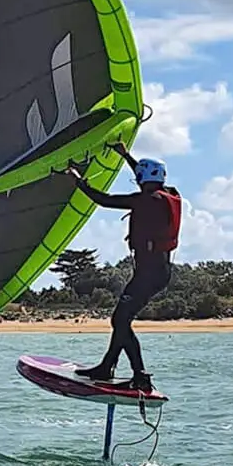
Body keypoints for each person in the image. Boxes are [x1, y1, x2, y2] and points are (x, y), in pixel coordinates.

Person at [58, 142, 182, 392]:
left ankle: (140, 376)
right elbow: (143, 174)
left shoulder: (147, 200)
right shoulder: (169, 194)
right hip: (159, 271)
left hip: (149, 273)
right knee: (122, 320)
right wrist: (125, 155)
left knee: (120, 320)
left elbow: (104, 200)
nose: (136, 181)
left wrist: (78, 180)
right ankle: (107, 367)